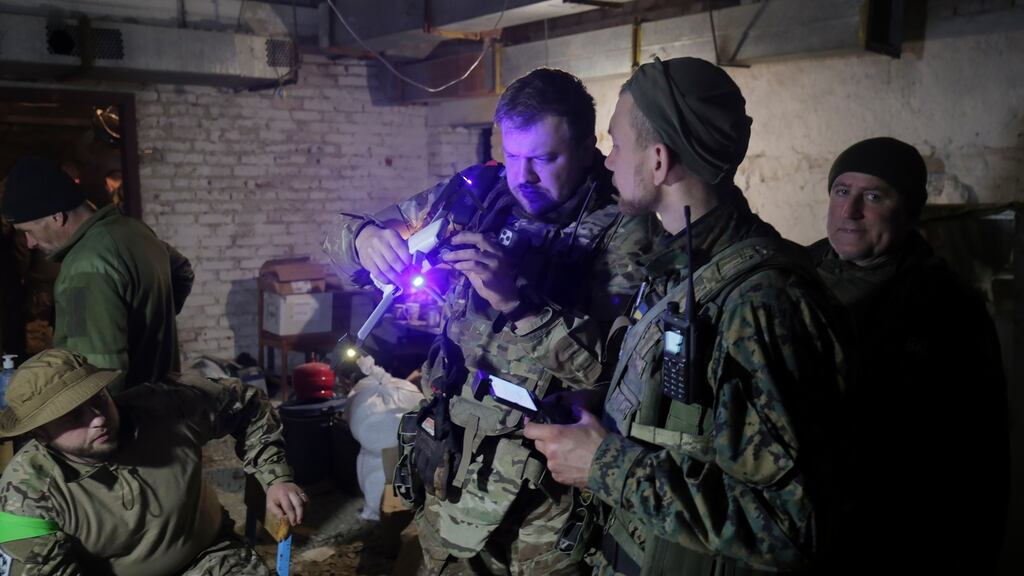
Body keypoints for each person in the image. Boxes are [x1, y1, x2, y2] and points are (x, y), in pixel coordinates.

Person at [524, 57, 848, 575]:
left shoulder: (760, 302)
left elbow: (790, 524)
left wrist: (604, 464)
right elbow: (695, 422)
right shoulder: (681, 267)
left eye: (617, 143)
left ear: (658, 161)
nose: (607, 161)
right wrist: (608, 409)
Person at [323, 68, 654, 574]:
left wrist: (516, 302)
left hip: (542, 503)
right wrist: (366, 239)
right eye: (513, 155)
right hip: (448, 471)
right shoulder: (477, 195)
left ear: (589, 147)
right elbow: (338, 240)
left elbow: (612, 375)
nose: (522, 177)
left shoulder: (627, 228)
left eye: (544, 159)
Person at [808, 137, 1009, 574]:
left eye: (874, 196)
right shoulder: (786, 277)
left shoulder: (948, 308)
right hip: (794, 537)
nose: (850, 210)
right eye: (841, 191)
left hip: (895, 544)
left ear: (910, 211)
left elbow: (983, 455)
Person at [0, 348, 306, 575]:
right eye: (73, 415)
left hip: (212, 556)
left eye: (99, 399)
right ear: (41, 434)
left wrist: (275, 476)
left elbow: (249, 404)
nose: (98, 419)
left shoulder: (167, 408)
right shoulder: (23, 496)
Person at [1, 156, 194, 390]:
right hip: (166, 399)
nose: (29, 243)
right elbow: (182, 271)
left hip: (129, 416)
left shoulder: (84, 267)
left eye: (28, 231)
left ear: (56, 216)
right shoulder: (133, 230)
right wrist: (154, 322)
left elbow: (94, 369)